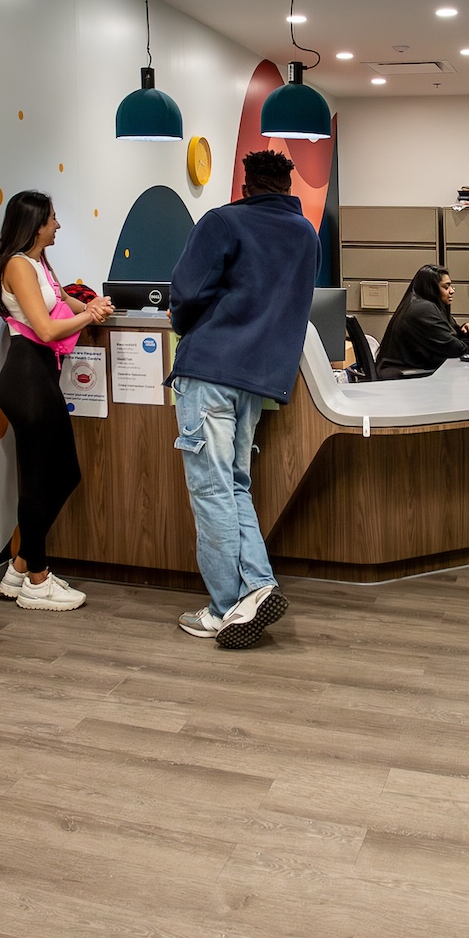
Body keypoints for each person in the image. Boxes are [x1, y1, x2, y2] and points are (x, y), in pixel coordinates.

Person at [166, 149, 321, 648]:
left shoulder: (221, 221)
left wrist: (189, 328)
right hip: (258, 379)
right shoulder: (306, 236)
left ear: (246, 184)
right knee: (233, 486)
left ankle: (223, 608)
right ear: (288, 186)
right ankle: (256, 586)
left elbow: (185, 296)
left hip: (210, 367)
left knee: (212, 490)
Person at [0, 190, 113, 610]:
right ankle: (38, 580)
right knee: (50, 477)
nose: (58, 225)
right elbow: (45, 330)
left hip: (40, 377)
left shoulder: (40, 265)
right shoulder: (17, 266)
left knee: (53, 476)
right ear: (36, 224)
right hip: (26, 377)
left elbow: (61, 301)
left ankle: (20, 566)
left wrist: (90, 304)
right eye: (53, 218)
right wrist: (89, 317)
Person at [375, 264, 469, 378]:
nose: (451, 291)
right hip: (403, 377)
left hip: (407, 371)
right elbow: (456, 349)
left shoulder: (422, 304)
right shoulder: (423, 310)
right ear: (431, 289)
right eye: (446, 287)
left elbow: (448, 333)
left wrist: (464, 329)